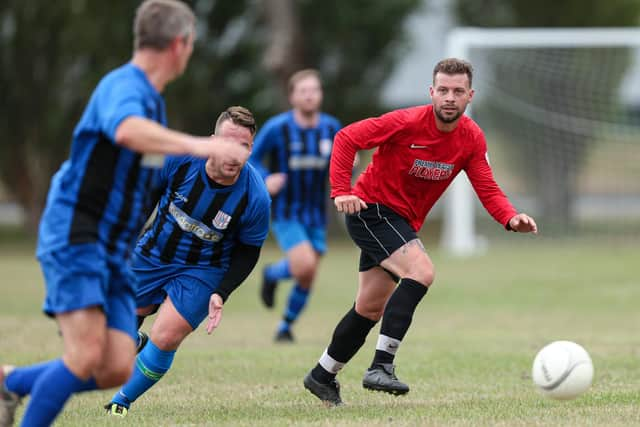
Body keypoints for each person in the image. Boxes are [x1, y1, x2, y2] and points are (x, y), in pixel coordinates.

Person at [0, 2, 250, 426]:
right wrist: (202, 145)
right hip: (78, 234)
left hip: (112, 249)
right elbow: (124, 129)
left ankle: (10, 382)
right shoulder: (125, 87)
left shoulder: (152, 103)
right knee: (82, 358)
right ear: (179, 44)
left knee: (114, 365)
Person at [302, 58, 538, 406]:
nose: (449, 97)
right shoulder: (406, 121)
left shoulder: (471, 138)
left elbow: (487, 187)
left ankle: (322, 375)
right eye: (442, 90)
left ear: (469, 96)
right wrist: (341, 191)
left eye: (457, 91)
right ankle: (382, 365)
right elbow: (347, 137)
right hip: (372, 211)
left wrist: (510, 217)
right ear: (432, 92)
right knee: (421, 271)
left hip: (401, 223)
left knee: (369, 308)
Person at [104, 106, 270, 416]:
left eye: (244, 146)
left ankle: (120, 403)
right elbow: (145, 201)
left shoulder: (255, 196)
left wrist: (222, 292)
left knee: (166, 336)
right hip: (152, 254)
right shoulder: (179, 160)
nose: (234, 153)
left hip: (204, 270)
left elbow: (249, 251)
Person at [249, 69, 341, 342]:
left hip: (316, 212)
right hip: (286, 211)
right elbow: (251, 157)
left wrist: (348, 163)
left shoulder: (331, 127)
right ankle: (273, 273)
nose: (310, 95)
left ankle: (285, 327)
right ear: (292, 96)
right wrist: (267, 178)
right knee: (303, 265)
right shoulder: (278, 128)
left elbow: (345, 154)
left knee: (307, 274)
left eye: (315, 90)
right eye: (304, 91)